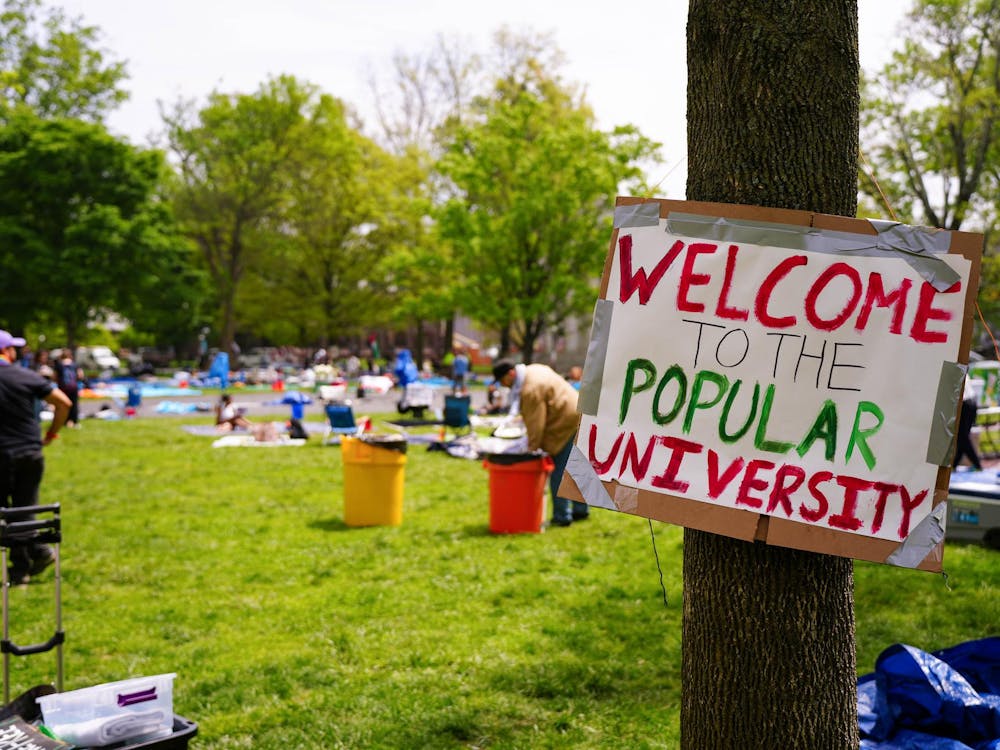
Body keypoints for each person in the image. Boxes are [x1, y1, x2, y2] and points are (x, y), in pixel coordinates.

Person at [0, 330, 71, 584]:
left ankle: (22, 568)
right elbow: (63, 403)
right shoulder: (25, 376)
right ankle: (34, 555)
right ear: (7, 351)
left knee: (9, 512)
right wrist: (51, 433)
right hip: (29, 452)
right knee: (24, 507)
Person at [493, 359, 588, 527]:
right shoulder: (534, 369)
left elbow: (536, 423)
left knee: (560, 471)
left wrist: (532, 448)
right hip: (577, 412)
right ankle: (580, 510)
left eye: (503, 381)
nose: (505, 386)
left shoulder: (529, 389)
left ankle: (562, 516)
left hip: (564, 422)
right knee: (575, 467)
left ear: (511, 374)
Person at [954, 375, 983, 471]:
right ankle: (954, 464)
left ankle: (977, 465)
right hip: (971, 401)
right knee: (962, 438)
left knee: (962, 437)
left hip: (966, 403)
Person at [55, 350, 82, 427]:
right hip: (73, 387)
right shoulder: (74, 364)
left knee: (63, 404)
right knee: (74, 404)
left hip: (63, 387)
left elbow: (55, 377)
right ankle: (75, 422)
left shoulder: (59, 365)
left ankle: (64, 421)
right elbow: (80, 375)